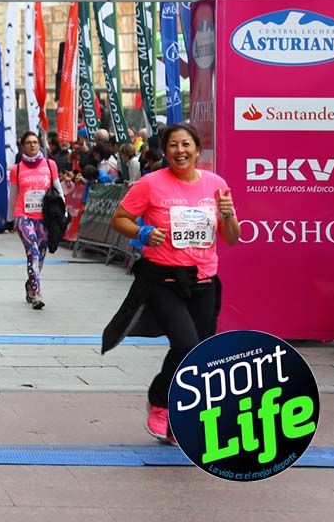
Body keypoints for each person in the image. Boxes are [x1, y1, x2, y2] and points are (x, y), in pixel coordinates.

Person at [106, 123, 239, 443]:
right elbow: (118, 219)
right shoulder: (151, 184)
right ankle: (159, 401)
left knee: (198, 355)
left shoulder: (216, 184)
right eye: (173, 146)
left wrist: (228, 215)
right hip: (163, 279)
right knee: (185, 344)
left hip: (204, 279)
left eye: (186, 144)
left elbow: (232, 239)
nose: (180, 151)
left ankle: (178, 414)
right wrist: (142, 233)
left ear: (197, 149)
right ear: (165, 152)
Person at [9, 131, 64, 310]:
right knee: (32, 252)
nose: (32, 145)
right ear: (22, 146)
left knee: (39, 256)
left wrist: (62, 212)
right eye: (28, 143)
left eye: (35, 142)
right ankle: (37, 293)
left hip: (44, 217)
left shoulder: (50, 164)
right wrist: (10, 219)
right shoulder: (16, 169)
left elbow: (58, 189)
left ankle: (30, 285)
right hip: (23, 216)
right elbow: (13, 195)